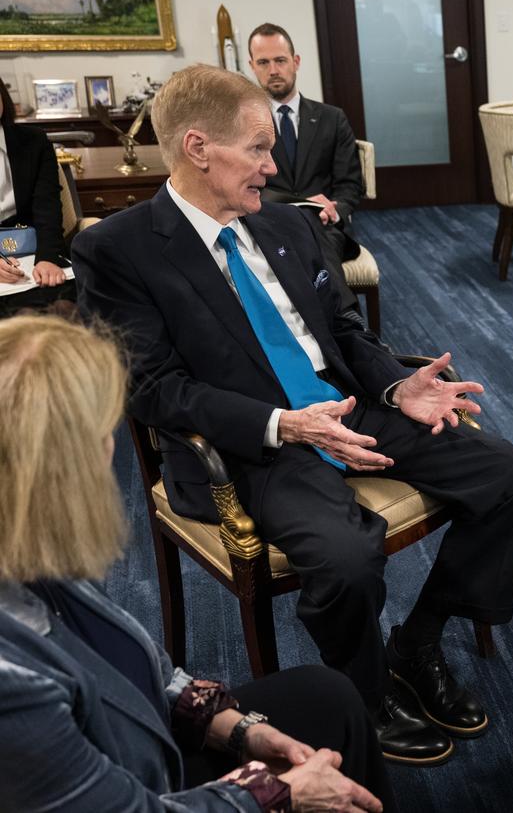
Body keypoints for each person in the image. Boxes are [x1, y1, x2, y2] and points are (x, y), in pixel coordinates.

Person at [73, 64, 513, 767]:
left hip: (345, 405)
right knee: (348, 558)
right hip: (253, 443)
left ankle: (419, 638)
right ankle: (368, 694)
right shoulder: (117, 250)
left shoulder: (287, 224)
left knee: (510, 473)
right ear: (198, 148)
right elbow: (153, 390)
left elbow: (347, 332)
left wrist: (395, 389)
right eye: (259, 149)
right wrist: (284, 424)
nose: (274, 165)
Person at [0, 314, 389, 812]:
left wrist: (232, 728)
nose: (111, 445)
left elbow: (136, 665)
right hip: (140, 789)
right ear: (57, 466)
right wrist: (277, 793)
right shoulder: (11, 687)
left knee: (328, 697)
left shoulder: (32, 546)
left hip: (139, 751)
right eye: (104, 429)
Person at [248, 22, 363, 315]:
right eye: (263, 62)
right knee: (299, 234)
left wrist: (334, 209)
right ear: (252, 66)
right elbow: (244, 183)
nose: (273, 69)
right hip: (268, 222)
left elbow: (350, 185)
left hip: (325, 224)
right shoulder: (244, 127)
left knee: (313, 232)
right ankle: (348, 322)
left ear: (295, 62)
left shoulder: (332, 118)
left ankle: (345, 323)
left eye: (280, 60)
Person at [0, 81, 72, 317]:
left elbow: (48, 205)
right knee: (23, 318)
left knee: (65, 307)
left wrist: (48, 258)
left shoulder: (34, 140)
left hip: (34, 249)